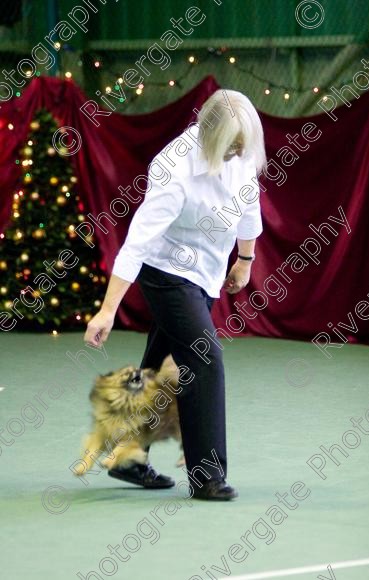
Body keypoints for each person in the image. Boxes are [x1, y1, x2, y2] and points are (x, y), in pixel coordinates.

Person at [84, 89, 266, 500]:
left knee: (157, 366)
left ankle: (128, 457)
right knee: (205, 356)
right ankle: (208, 477)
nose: (241, 151)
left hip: (207, 273)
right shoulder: (173, 167)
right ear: (210, 134)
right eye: (233, 143)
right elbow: (137, 243)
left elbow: (248, 203)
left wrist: (246, 259)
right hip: (166, 273)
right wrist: (107, 310)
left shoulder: (242, 152)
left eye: (245, 143)